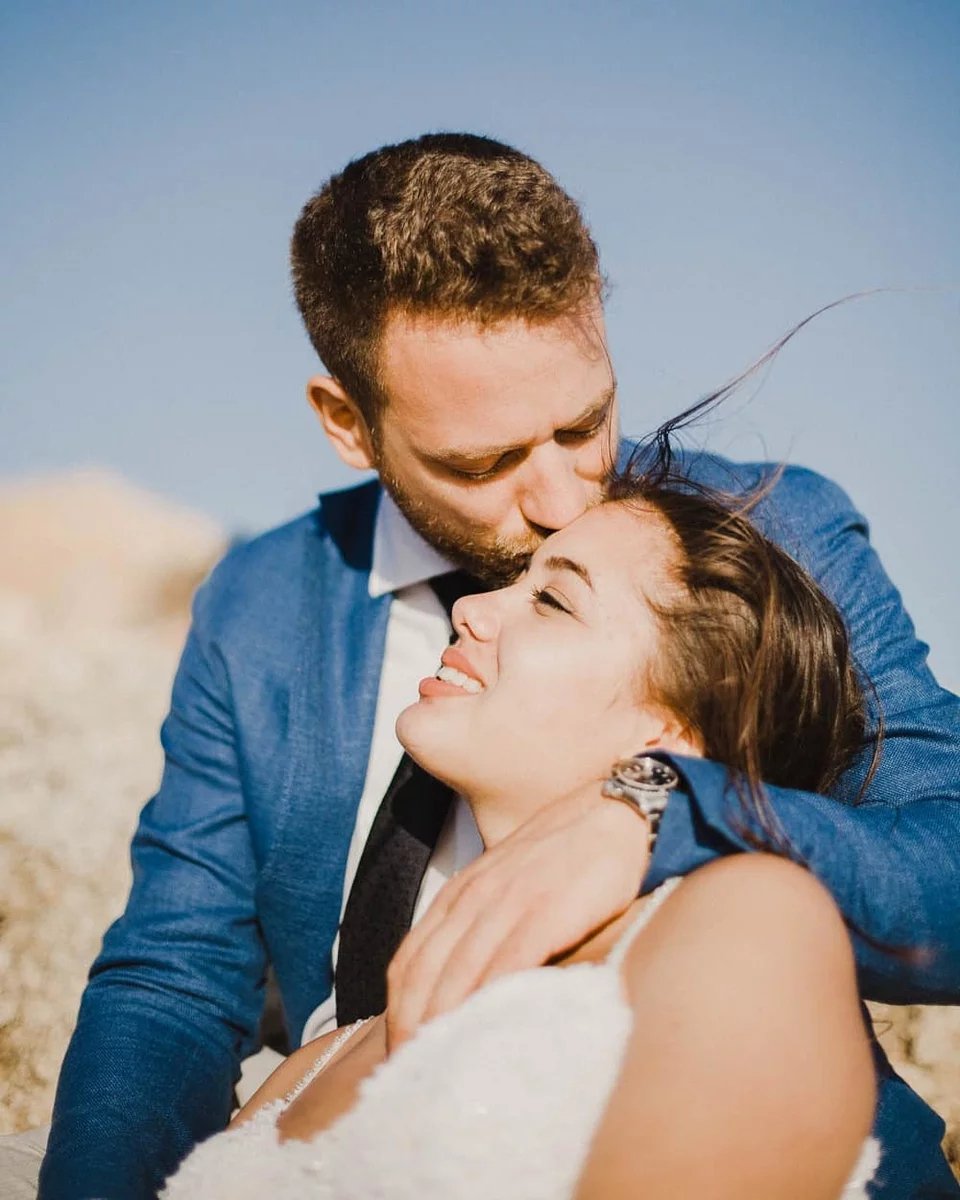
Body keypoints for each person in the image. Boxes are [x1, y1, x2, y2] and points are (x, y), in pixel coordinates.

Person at [23, 133, 958, 1199]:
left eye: (584, 421)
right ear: (348, 423)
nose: (564, 497)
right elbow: (173, 980)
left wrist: (658, 808)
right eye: (486, 462)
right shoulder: (261, 604)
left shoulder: (771, 531)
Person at [160, 471, 883, 1198]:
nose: (469, 607)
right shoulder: (316, 1061)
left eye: (553, 600)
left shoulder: (751, 923)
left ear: (668, 735)